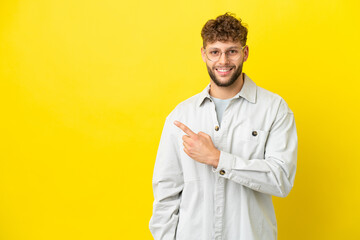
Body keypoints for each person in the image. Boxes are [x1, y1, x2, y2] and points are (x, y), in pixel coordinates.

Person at [149, 12, 297, 240]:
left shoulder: (274, 109)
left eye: (232, 51)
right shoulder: (181, 115)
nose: (223, 61)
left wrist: (218, 159)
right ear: (203, 54)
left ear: (245, 53)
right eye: (215, 52)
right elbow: (166, 193)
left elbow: (281, 180)